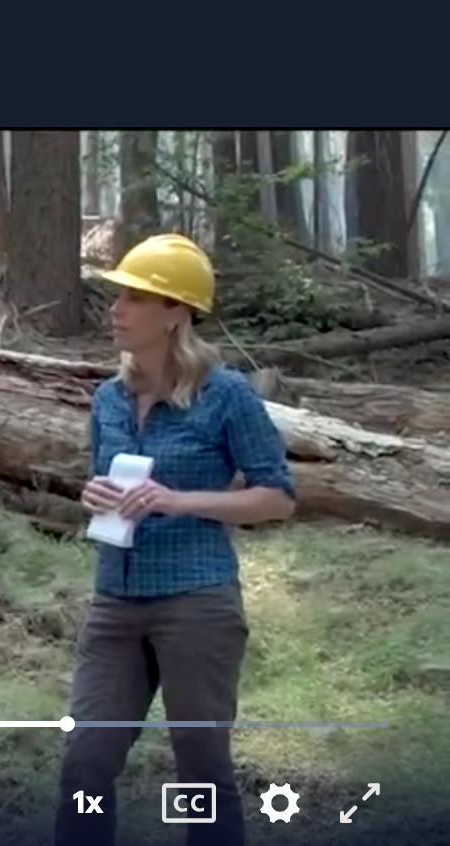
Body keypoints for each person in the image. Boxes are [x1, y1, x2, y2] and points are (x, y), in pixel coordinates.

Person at [53, 233, 297, 846]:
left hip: (197, 602)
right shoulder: (108, 397)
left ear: (175, 315)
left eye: (135, 298)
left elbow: (277, 497)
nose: (116, 310)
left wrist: (179, 499)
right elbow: (101, 475)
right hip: (114, 602)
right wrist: (94, 495)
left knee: (201, 770)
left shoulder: (227, 396)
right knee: (86, 760)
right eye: (118, 296)